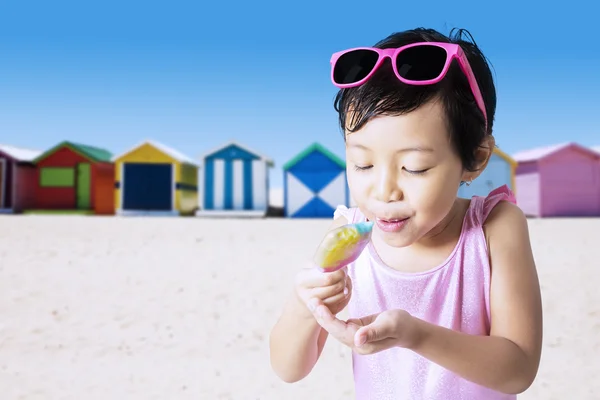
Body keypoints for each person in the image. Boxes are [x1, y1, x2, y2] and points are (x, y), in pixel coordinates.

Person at [269, 27, 543, 399]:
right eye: (362, 164)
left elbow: (518, 369)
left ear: (475, 158)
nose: (384, 191)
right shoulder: (348, 234)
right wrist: (304, 307)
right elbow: (288, 368)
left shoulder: (495, 228)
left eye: (414, 168)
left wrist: (417, 335)